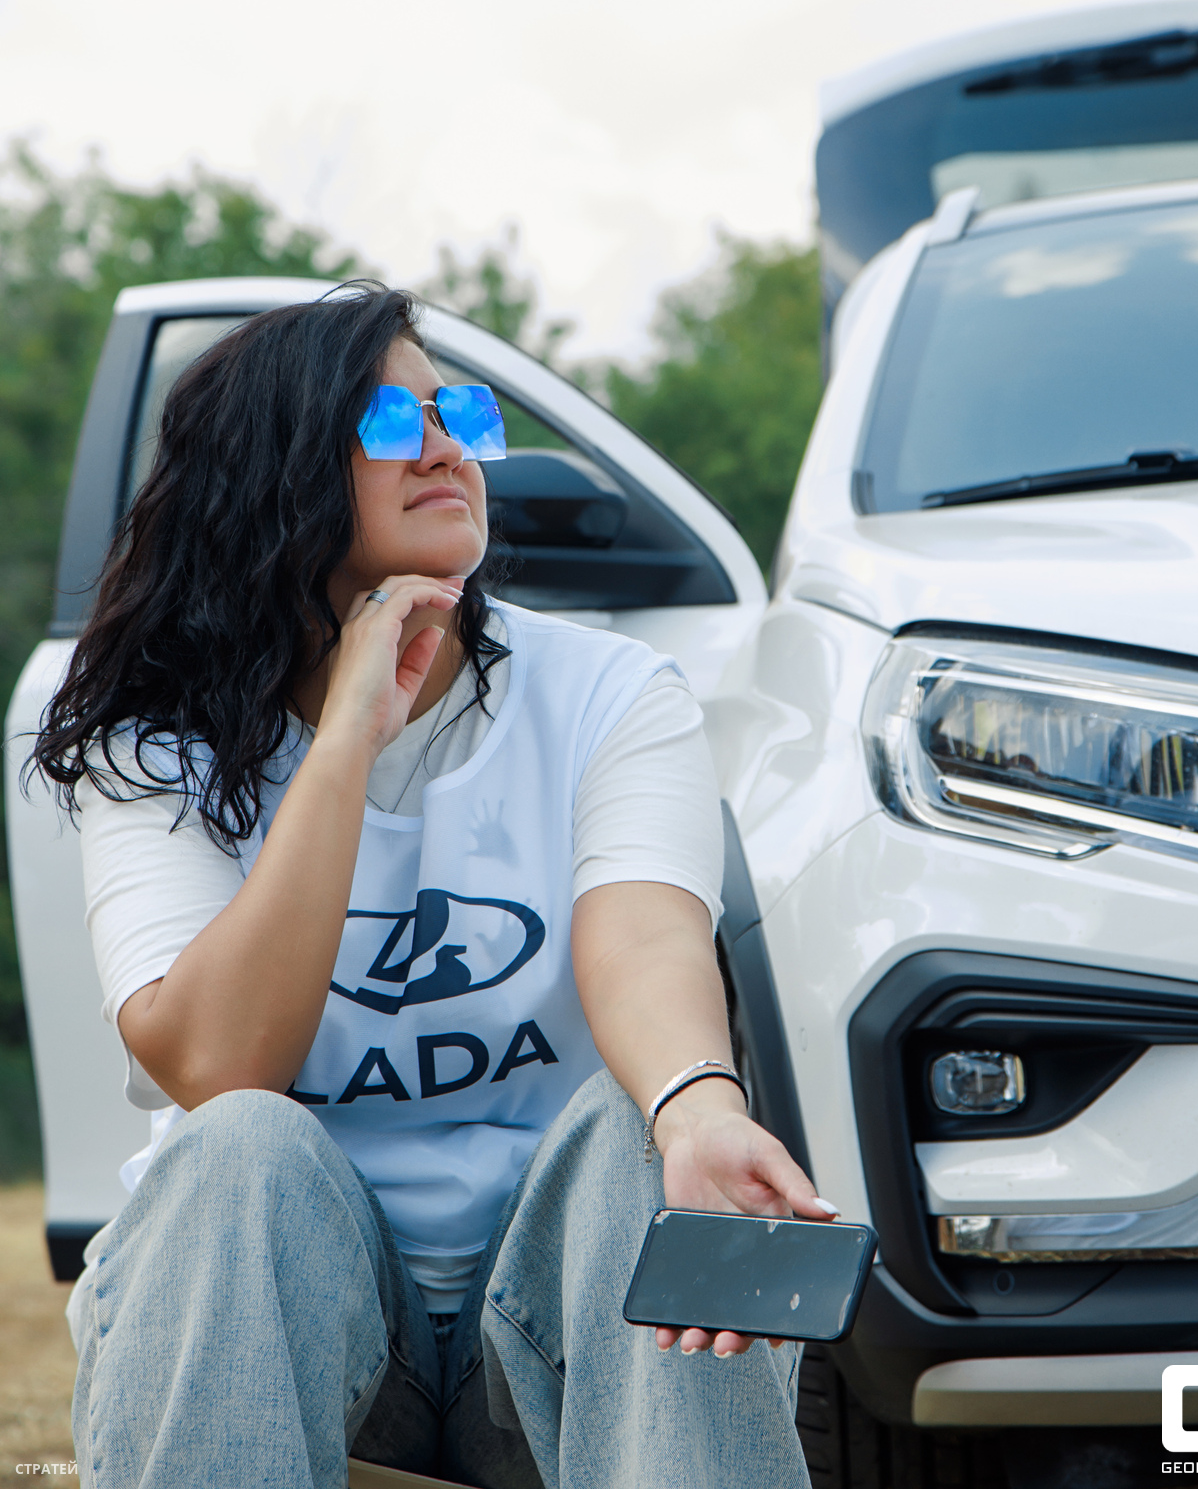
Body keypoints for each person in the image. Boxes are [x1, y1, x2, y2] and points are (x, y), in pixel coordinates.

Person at [33, 283, 832, 1489]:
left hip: (556, 1310)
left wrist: (700, 1111)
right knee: (238, 1144)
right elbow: (216, 1060)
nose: (448, 448)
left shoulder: (608, 694)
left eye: (458, 415)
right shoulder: (155, 747)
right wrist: (348, 737)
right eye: (392, 422)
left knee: (645, 1140)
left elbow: (644, 941)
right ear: (274, 467)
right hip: (292, 1316)